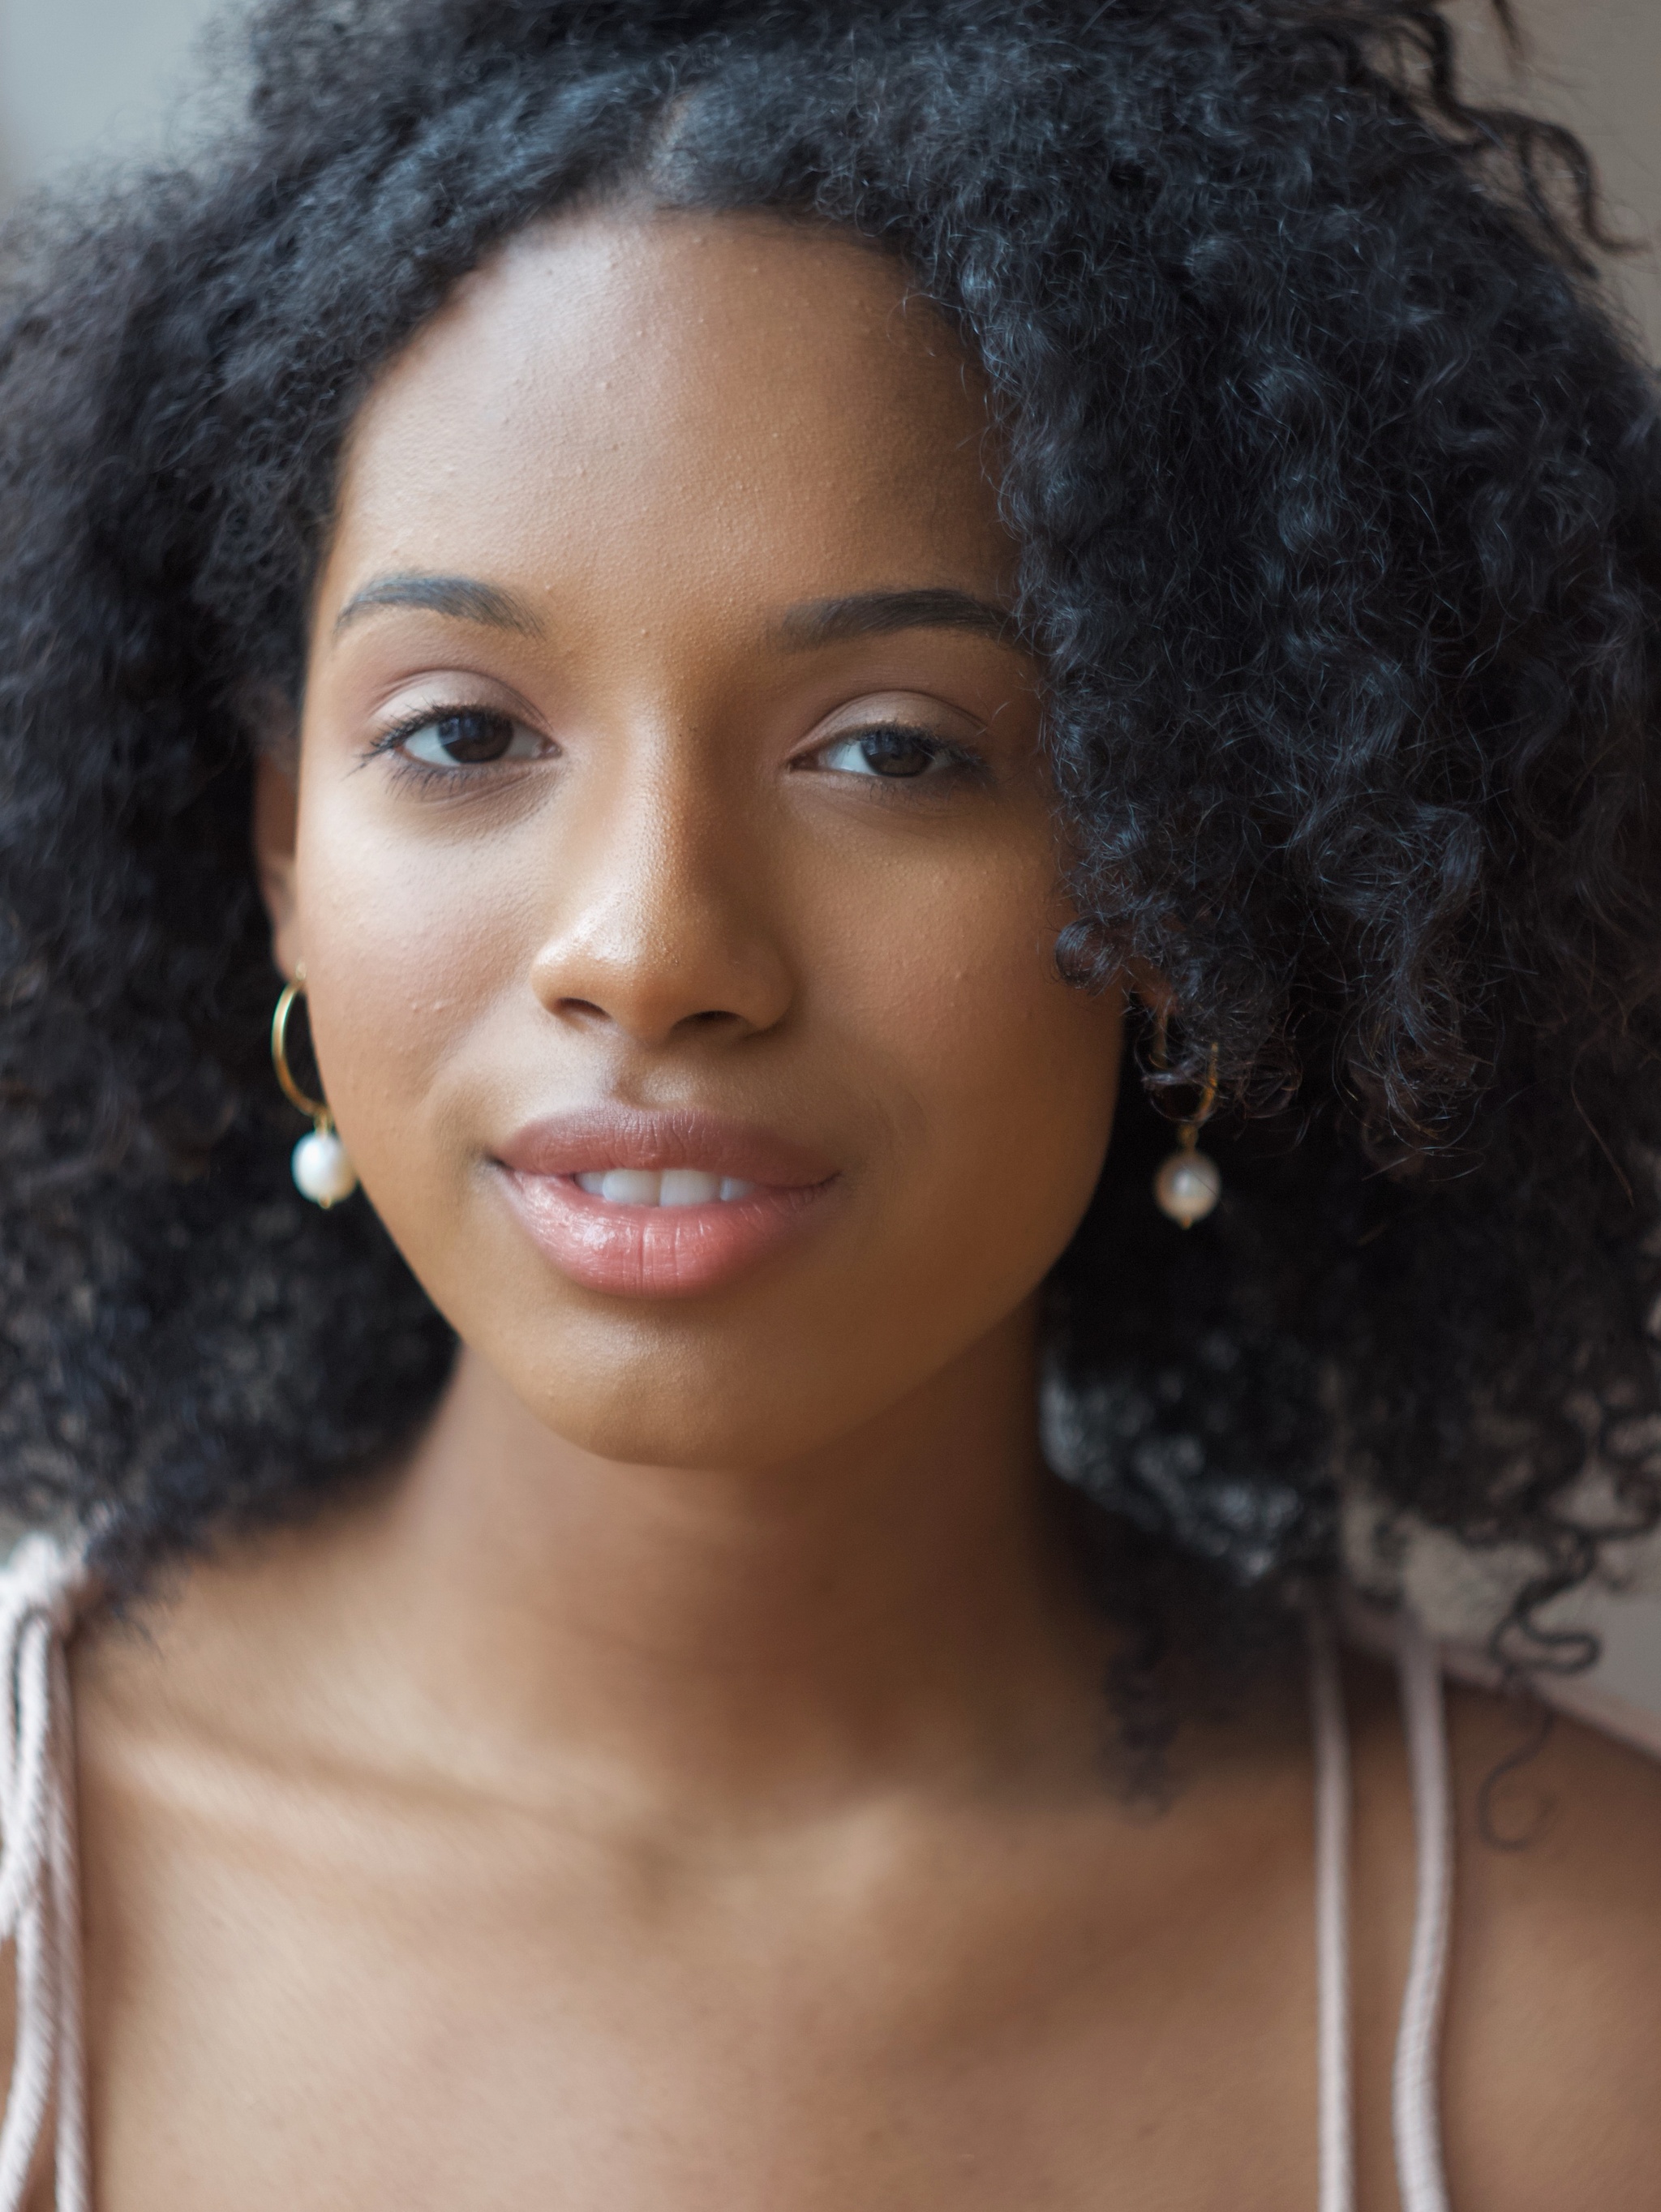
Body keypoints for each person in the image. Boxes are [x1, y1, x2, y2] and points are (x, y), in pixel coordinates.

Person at [0, 0, 1658, 2202]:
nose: (650, 946)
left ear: (1186, 871)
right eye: (466, 732)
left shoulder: (1576, 2016)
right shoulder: (40, 1921)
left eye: (893, 748)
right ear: (281, 845)